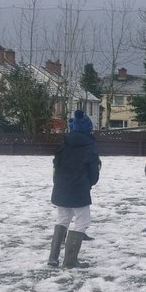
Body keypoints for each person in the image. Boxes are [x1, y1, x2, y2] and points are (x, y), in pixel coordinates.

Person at [48, 110, 101, 268]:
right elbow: (94, 175)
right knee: (82, 221)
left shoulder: (63, 145)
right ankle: (70, 260)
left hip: (61, 189)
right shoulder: (89, 148)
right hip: (79, 190)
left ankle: (53, 258)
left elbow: (55, 167)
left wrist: (59, 183)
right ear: (88, 129)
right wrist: (88, 184)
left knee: (63, 219)